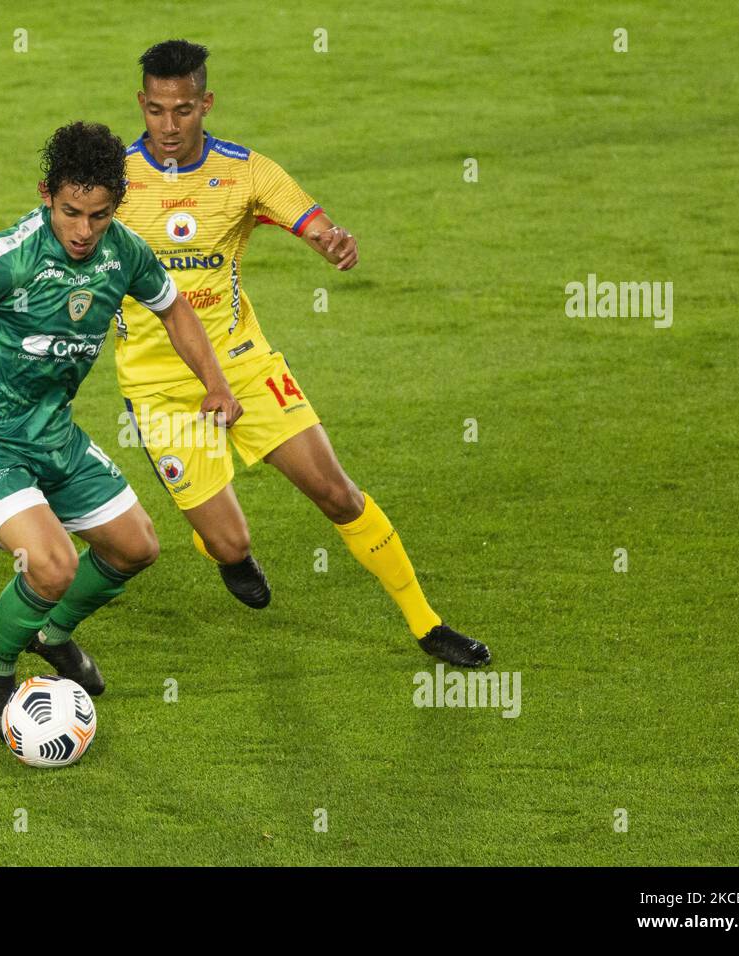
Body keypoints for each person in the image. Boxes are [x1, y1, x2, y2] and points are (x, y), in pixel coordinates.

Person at [113, 40, 490, 666]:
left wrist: (332, 243)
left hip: (244, 364)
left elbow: (312, 222)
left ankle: (428, 625)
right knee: (229, 542)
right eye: (155, 111)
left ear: (205, 102)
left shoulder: (245, 171)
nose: (169, 126)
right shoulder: (116, 178)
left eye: (183, 110)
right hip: (158, 388)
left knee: (337, 493)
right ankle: (231, 558)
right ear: (141, 104)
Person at [0, 121, 243, 740]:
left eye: (98, 214)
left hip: (51, 430)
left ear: (117, 205)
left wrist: (215, 384)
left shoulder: (125, 251)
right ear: (46, 194)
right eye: (70, 213)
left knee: (136, 546)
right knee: (52, 565)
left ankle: (49, 634)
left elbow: (174, 308)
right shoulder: (14, 255)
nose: (83, 231)